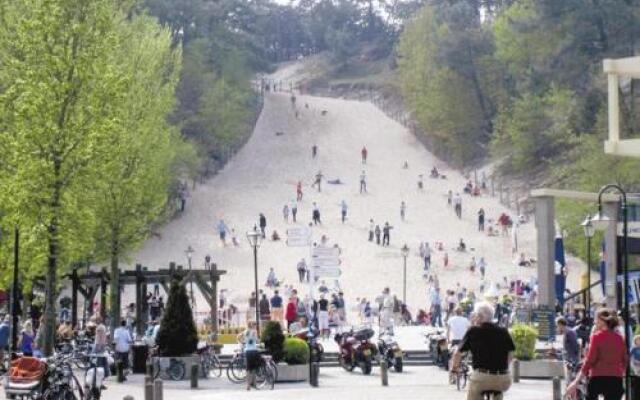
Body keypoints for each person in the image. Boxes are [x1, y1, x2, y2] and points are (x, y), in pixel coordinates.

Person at [451, 302, 515, 400]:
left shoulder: (473, 331)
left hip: (482, 378)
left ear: (480, 316)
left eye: (475, 315)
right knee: (498, 391)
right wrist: (503, 367)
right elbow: (511, 353)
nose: (474, 318)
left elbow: (457, 353)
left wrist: (454, 368)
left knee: (475, 391)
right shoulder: (503, 331)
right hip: (503, 379)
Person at [567, 308, 627, 400]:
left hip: (597, 377)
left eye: (596, 319)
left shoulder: (597, 337)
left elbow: (589, 360)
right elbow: (624, 359)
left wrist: (576, 381)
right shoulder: (619, 338)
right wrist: (619, 372)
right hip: (615, 378)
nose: (594, 322)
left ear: (603, 321)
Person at [238, 321, 260, 391]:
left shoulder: (245, 331)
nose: (255, 325)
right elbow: (256, 340)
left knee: (248, 369)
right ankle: (255, 384)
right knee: (253, 369)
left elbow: (238, 336)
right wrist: (258, 341)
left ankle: (248, 385)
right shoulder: (254, 331)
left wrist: (242, 342)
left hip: (247, 351)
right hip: (253, 350)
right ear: (252, 325)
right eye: (255, 324)